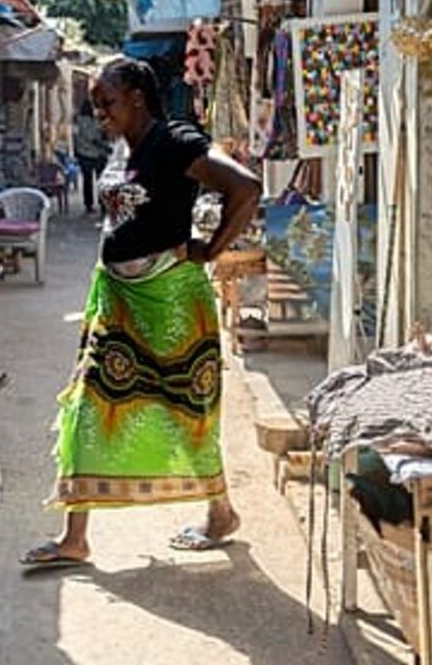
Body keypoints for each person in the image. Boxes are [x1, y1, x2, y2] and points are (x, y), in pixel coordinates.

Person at [21, 57, 263, 569]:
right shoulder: (122, 148)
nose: (100, 114)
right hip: (120, 301)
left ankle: (221, 514)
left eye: (107, 103)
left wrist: (211, 249)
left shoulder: (175, 141)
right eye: (95, 106)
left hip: (170, 303)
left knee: (185, 411)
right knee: (90, 404)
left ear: (137, 98)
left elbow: (245, 188)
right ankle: (75, 538)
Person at [73, 99, 110, 214]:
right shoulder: (85, 121)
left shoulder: (80, 121)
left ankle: (93, 204)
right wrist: (105, 147)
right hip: (93, 154)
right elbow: (92, 138)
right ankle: (99, 204)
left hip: (86, 154)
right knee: (96, 180)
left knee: (89, 181)